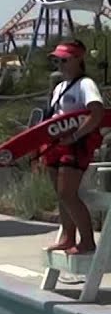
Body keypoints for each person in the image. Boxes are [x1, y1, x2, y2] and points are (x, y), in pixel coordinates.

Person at [41, 40, 105, 255]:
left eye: (64, 60)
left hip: (76, 146)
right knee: (60, 196)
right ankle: (68, 237)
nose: (60, 64)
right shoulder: (59, 87)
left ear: (78, 59)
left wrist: (76, 135)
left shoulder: (86, 84)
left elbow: (97, 112)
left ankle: (87, 240)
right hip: (55, 145)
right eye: (57, 60)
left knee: (67, 193)